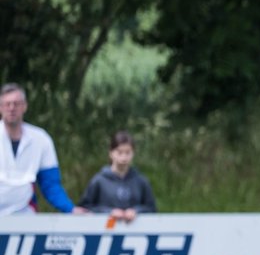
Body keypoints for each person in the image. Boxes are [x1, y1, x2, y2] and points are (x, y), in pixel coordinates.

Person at [0, 83, 84, 216]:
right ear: (1, 107)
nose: (11, 108)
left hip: (26, 216)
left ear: (24, 106)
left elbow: (50, 185)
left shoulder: (41, 139)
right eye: (7, 104)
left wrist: (70, 209)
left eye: (16, 103)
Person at [78, 131, 158, 223]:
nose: (124, 157)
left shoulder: (141, 181)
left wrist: (136, 211)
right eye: (119, 152)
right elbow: (84, 209)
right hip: (105, 232)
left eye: (127, 152)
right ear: (111, 153)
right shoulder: (99, 180)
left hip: (135, 234)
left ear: (133, 153)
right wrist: (109, 212)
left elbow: (151, 208)